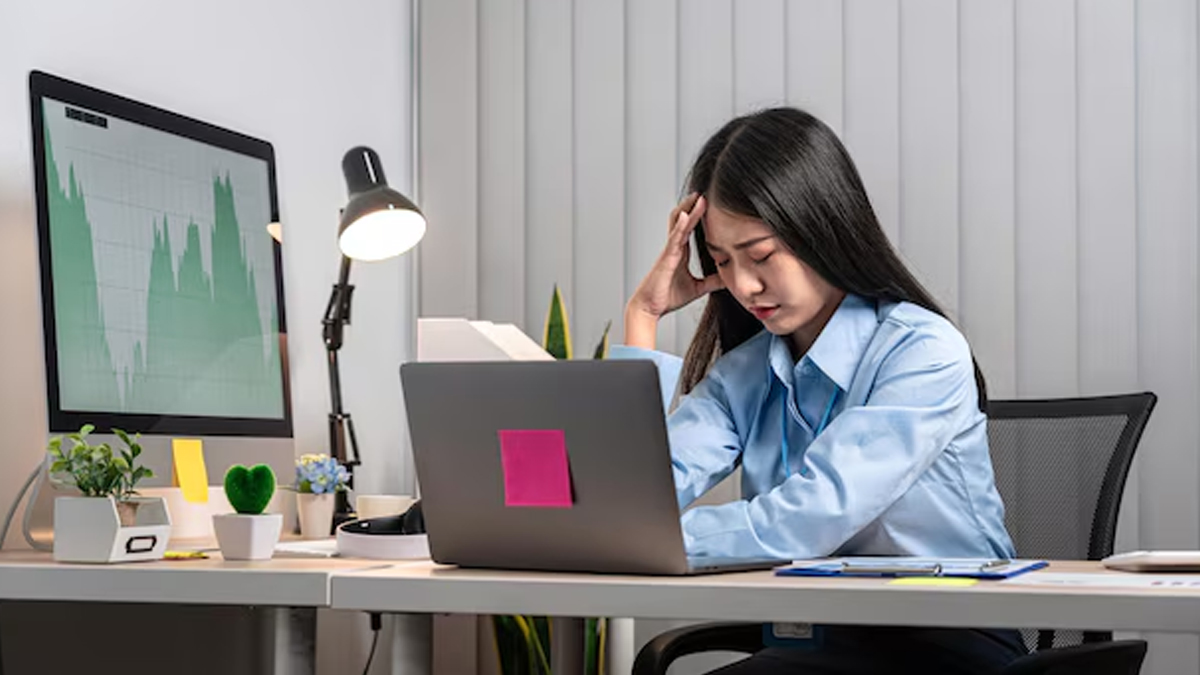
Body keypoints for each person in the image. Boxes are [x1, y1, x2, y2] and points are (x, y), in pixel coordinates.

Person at [611, 107, 1024, 674]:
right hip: (809, 640)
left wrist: (644, 539)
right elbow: (628, 501)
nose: (744, 285)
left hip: (943, 641)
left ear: (821, 229)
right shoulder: (747, 371)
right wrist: (645, 315)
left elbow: (810, 516)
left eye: (760, 255)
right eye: (724, 261)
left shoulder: (922, 350)